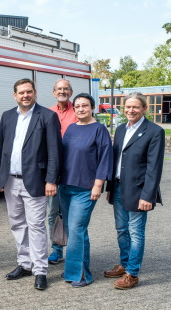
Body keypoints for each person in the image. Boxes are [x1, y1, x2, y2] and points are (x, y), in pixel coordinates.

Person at [0, 79, 61, 291]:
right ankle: (24, 263)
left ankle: (40, 270)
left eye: (29, 92)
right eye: (21, 92)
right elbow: (0, 149)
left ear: (35, 93)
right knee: (17, 224)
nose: (25, 95)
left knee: (36, 226)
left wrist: (51, 180)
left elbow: (54, 152)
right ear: (15, 95)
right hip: (11, 181)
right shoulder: (7, 116)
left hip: (36, 182)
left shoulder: (48, 116)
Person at [104, 92, 165, 290]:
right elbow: (116, 161)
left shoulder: (154, 131)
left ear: (144, 108)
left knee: (136, 232)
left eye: (136, 107)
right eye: (128, 107)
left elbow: (154, 167)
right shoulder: (121, 129)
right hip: (119, 187)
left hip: (139, 191)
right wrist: (110, 187)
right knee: (121, 229)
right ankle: (124, 263)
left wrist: (149, 195)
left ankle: (133, 274)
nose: (131, 110)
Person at [58, 93, 113, 287]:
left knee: (76, 229)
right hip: (64, 187)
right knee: (76, 231)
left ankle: (79, 275)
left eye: (85, 106)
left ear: (92, 108)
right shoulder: (71, 128)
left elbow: (105, 158)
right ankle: (80, 269)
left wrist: (98, 185)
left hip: (85, 189)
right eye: (78, 106)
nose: (81, 109)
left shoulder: (99, 129)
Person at [47, 79, 78, 265]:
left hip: (73, 171)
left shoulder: (79, 110)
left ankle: (73, 251)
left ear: (71, 91)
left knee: (70, 214)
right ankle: (56, 249)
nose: (62, 91)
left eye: (66, 89)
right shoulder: (48, 113)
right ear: (54, 92)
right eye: (59, 89)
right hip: (53, 173)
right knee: (52, 213)